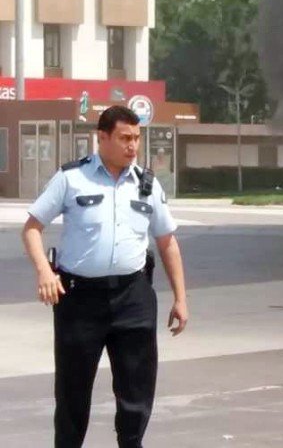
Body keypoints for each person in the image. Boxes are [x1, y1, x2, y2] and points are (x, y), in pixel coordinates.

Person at [21, 106, 189, 448]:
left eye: (136, 138)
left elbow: (167, 241)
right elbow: (32, 228)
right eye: (125, 138)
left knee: (136, 388)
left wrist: (181, 298)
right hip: (80, 300)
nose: (133, 146)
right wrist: (43, 271)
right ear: (102, 138)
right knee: (73, 390)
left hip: (133, 297)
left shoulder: (147, 185)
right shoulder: (72, 178)